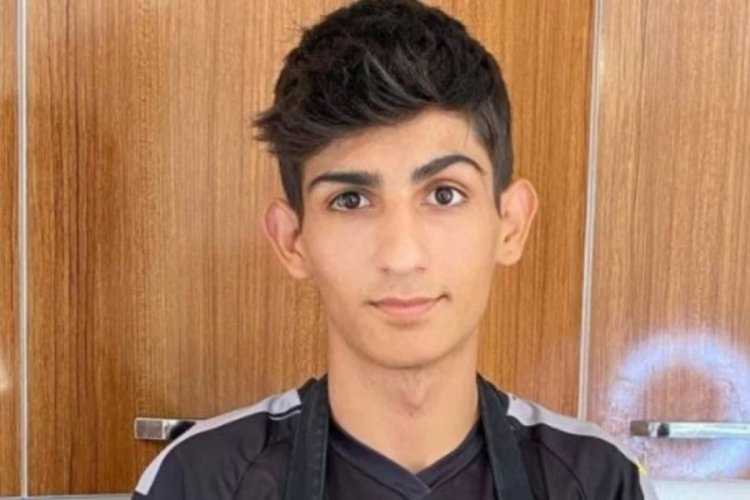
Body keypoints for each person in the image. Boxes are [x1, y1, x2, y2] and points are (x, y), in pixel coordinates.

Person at [132, 0, 658, 498]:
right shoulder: (198, 482)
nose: (401, 256)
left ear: (511, 225)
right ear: (292, 241)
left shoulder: (601, 483)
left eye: (444, 194)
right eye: (351, 199)